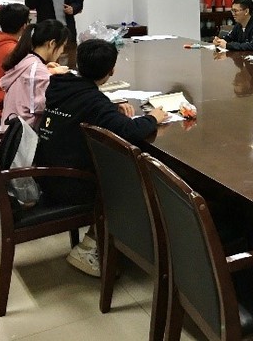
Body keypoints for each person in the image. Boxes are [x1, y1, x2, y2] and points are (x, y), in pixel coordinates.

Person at [36, 39, 166, 276]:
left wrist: (111, 109)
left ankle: (109, 241)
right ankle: (91, 247)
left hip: (45, 171)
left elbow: (85, 110)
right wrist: (153, 117)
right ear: (111, 71)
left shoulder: (60, 86)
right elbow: (130, 131)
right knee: (131, 178)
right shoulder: (94, 102)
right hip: (68, 182)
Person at [0, 19, 69, 131]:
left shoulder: (26, 61)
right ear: (52, 43)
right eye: (63, 46)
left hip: (9, 132)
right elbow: (45, 106)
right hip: (24, 137)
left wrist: (46, 70)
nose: (62, 51)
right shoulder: (37, 70)